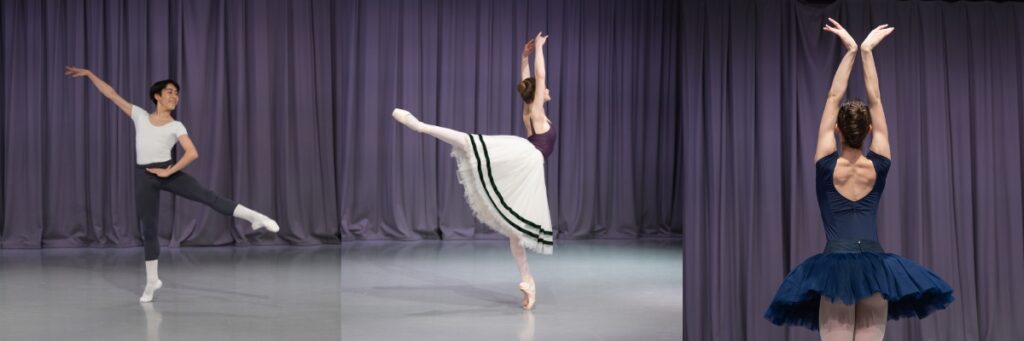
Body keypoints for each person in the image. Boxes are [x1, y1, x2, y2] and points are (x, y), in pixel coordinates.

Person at [763, 19, 953, 340]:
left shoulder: (825, 165)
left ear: (837, 130)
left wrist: (850, 51)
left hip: (834, 269)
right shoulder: (879, 163)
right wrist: (867, 52)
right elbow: (875, 100)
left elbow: (832, 97)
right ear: (868, 132)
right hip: (875, 271)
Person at [65, 66, 280, 303]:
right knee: (149, 229)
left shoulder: (177, 126)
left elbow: (192, 153)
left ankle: (255, 217)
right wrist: (90, 75)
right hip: (144, 176)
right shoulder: (140, 116)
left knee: (208, 197)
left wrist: (169, 171)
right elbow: (111, 94)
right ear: (157, 96)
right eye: (169, 92)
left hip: (168, 171)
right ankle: (152, 282)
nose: (174, 96)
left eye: (176, 93)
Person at [391, 32, 557, 310]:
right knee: (472, 143)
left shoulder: (529, 110)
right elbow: (538, 78)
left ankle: (528, 280)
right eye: (544, 88)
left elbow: (530, 81)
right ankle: (422, 127)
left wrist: (523, 57)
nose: (547, 89)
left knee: (515, 230)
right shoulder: (536, 111)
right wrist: (539, 49)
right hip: (529, 159)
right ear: (538, 94)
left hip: (528, 165)